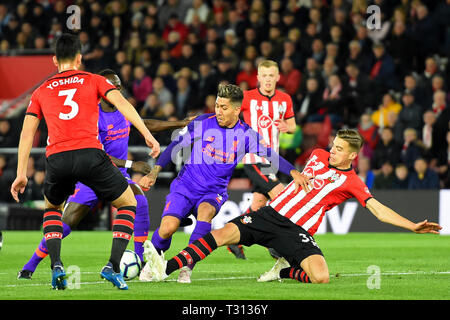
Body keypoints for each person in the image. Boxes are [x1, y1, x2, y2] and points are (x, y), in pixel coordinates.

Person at [141, 129, 441, 284]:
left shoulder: (353, 182)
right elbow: (286, 174)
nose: (332, 151)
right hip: (270, 215)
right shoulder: (317, 155)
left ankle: (283, 272)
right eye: (333, 145)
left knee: (320, 277)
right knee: (220, 236)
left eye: (338, 149)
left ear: (352, 157)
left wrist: (411, 225)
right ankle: (163, 268)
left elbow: (376, 209)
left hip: (297, 230)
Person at [10, 33, 160, 290]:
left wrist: (21, 173)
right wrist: (147, 136)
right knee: (128, 203)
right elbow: (122, 104)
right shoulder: (94, 80)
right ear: (79, 58)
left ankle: (56, 265)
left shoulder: (40, 91)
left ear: (55, 60)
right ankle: (112, 266)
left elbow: (27, 133)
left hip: (57, 158)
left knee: (53, 210)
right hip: (90, 155)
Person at [17, 69, 192, 280]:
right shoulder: (92, 116)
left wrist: (180, 123)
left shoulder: (123, 110)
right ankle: (30, 265)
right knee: (67, 223)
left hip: (115, 175)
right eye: (113, 86)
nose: (117, 90)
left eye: (118, 87)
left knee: (139, 201)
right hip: (92, 174)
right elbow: (96, 156)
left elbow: (145, 124)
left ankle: (141, 261)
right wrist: (132, 164)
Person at [138, 83, 307, 284]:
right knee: (167, 228)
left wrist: (294, 172)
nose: (218, 111)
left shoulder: (247, 134)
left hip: (213, 190)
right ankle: (153, 261)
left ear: (237, 110)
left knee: (205, 214)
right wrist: (155, 172)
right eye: (217, 106)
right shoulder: (202, 122)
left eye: (224, 107)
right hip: (186, 185)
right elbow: (176, 145)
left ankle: (186, 267)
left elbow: (271, 155)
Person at [231, 59, 296, 259]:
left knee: (258, 204)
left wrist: (287, 126)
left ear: (278, 77)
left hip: (272, 160)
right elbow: (229, 114)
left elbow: (292, 126)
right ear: (258, 78)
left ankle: (233, 239)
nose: (268, 79)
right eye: (264, 76)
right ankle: (276, 244)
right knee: (281, 195)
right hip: (254, 158)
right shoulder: (247, 97)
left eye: (271, 76)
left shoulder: (285, 99)